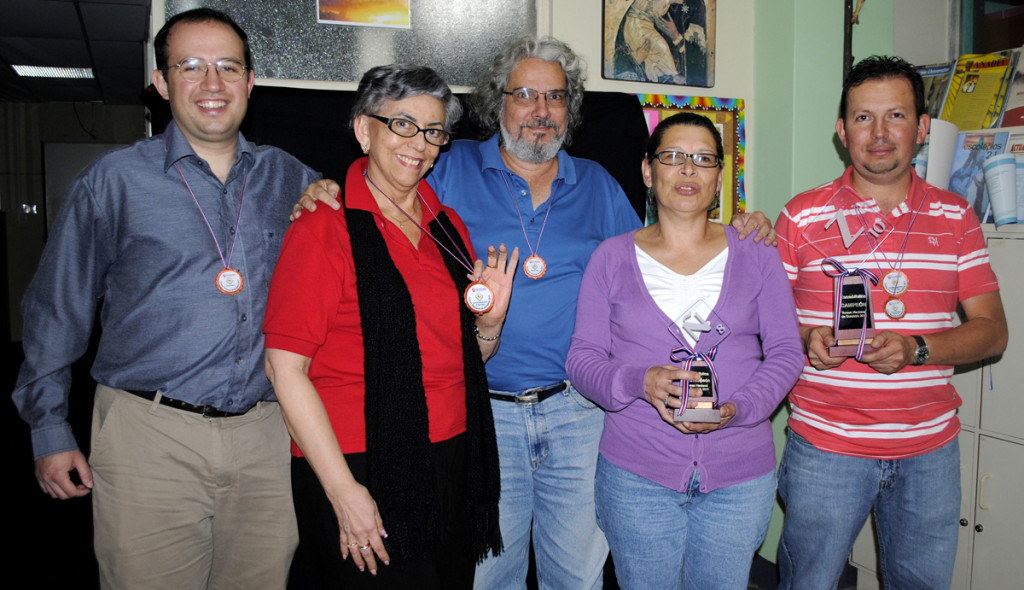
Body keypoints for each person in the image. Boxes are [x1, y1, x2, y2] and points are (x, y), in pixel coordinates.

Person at [296, 36, 775, 589]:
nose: (540, 111)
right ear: (497, 103)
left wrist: (738, 226)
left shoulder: (596, 184)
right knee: (489, 574)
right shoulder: (445, 169)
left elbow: (663, 257)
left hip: (578, 414)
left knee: (575, 575)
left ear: (570, 111)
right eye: (524, 94)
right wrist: (324, 188)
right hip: (481, 412)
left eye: (555, 97)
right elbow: (380, 193)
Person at [11, 8, 321, 589]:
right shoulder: (114, 181)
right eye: (191, 67)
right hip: (148, 432)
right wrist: (49, 429)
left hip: (267, 435)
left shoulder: (293, 179)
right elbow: (58, 308)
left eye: (228, 67)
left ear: (251, 83)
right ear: (161, 82)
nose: (212, 84)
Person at [263, 64, 513, 589]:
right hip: (359, 459)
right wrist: (343, 491)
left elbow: (466, 357)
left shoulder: (447, 227)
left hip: (451, 454)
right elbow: (285, 370)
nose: (419, 144)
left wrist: (488, 325)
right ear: (363, 129)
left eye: (433, 131)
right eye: (402, 124)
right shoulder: (324, 226)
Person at [775, 55, 1008, 589]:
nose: (879, 134)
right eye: (862, 118)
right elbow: (761, 324)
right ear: (842, 131)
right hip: (826, 447)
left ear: (922, 128)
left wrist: (917, 349)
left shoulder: (957, 218)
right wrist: (806, 337)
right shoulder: (800, 217)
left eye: (896, 116)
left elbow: (993, 330)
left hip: (930, 452)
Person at [565, 113, 804, 590]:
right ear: (648, 172)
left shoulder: (756, 252)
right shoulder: (611, 258)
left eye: (703, 159)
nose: (688, 170)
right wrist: (641, 381)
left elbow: (785, 353)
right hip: (637, 477)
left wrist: (739, 410)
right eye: (672, 157)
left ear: (719, 178)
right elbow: (582, 361)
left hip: (739, 476)